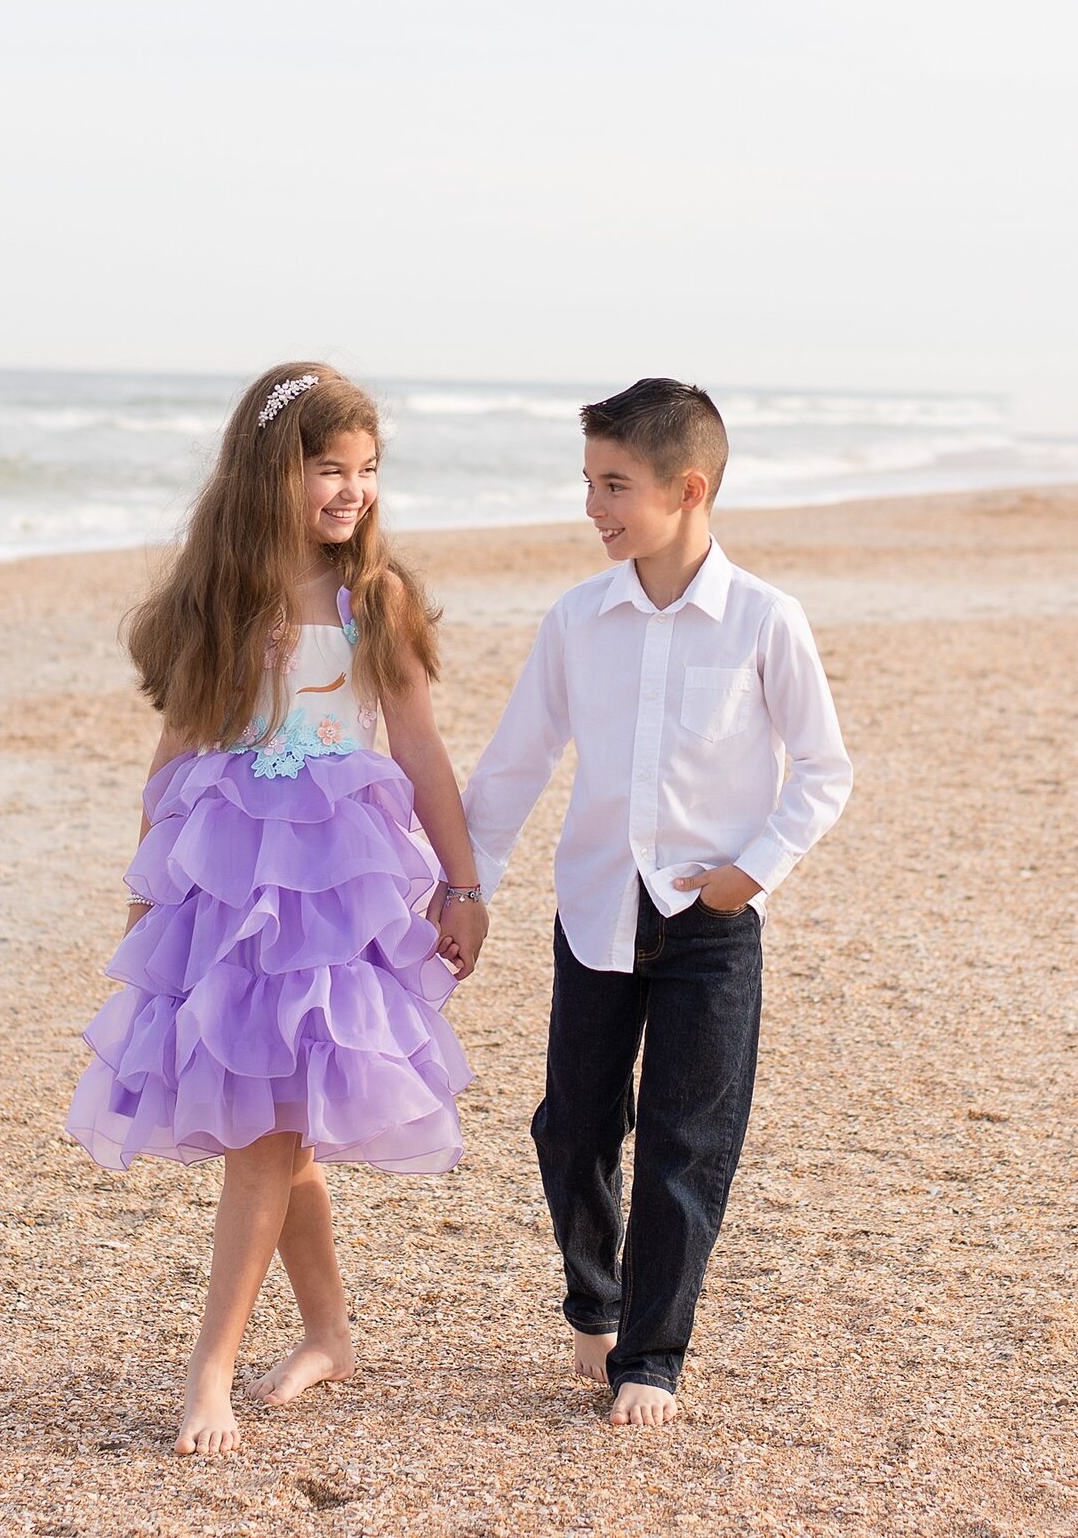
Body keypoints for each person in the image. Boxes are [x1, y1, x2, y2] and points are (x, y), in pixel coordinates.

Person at [67, 361, 489, 1456]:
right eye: (328, 470)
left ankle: (208, 1371)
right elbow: (174, 756)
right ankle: (328, 1334)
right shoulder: (223, 602)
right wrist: (146, 890)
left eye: (368, 471)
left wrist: (463, 883)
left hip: (336, 898)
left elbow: (421, 748)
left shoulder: (372, 599)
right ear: (272, 472)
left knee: (267, 1130)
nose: (352, 491)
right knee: (273, 1121)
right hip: (231, 888)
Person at [457, 378, 852, 1428]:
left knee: (686, 1142)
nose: (592, 506)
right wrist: (465, 889)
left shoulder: (767, 620)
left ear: (687, 489)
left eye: (613, 485)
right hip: (593, 907)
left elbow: (822, 770)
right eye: (587, 482)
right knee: (571, 1126)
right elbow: (511, 769)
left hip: (713, 927)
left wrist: (753, 870)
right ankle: (596, 1302)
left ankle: (653, 1356)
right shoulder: (577, 620)